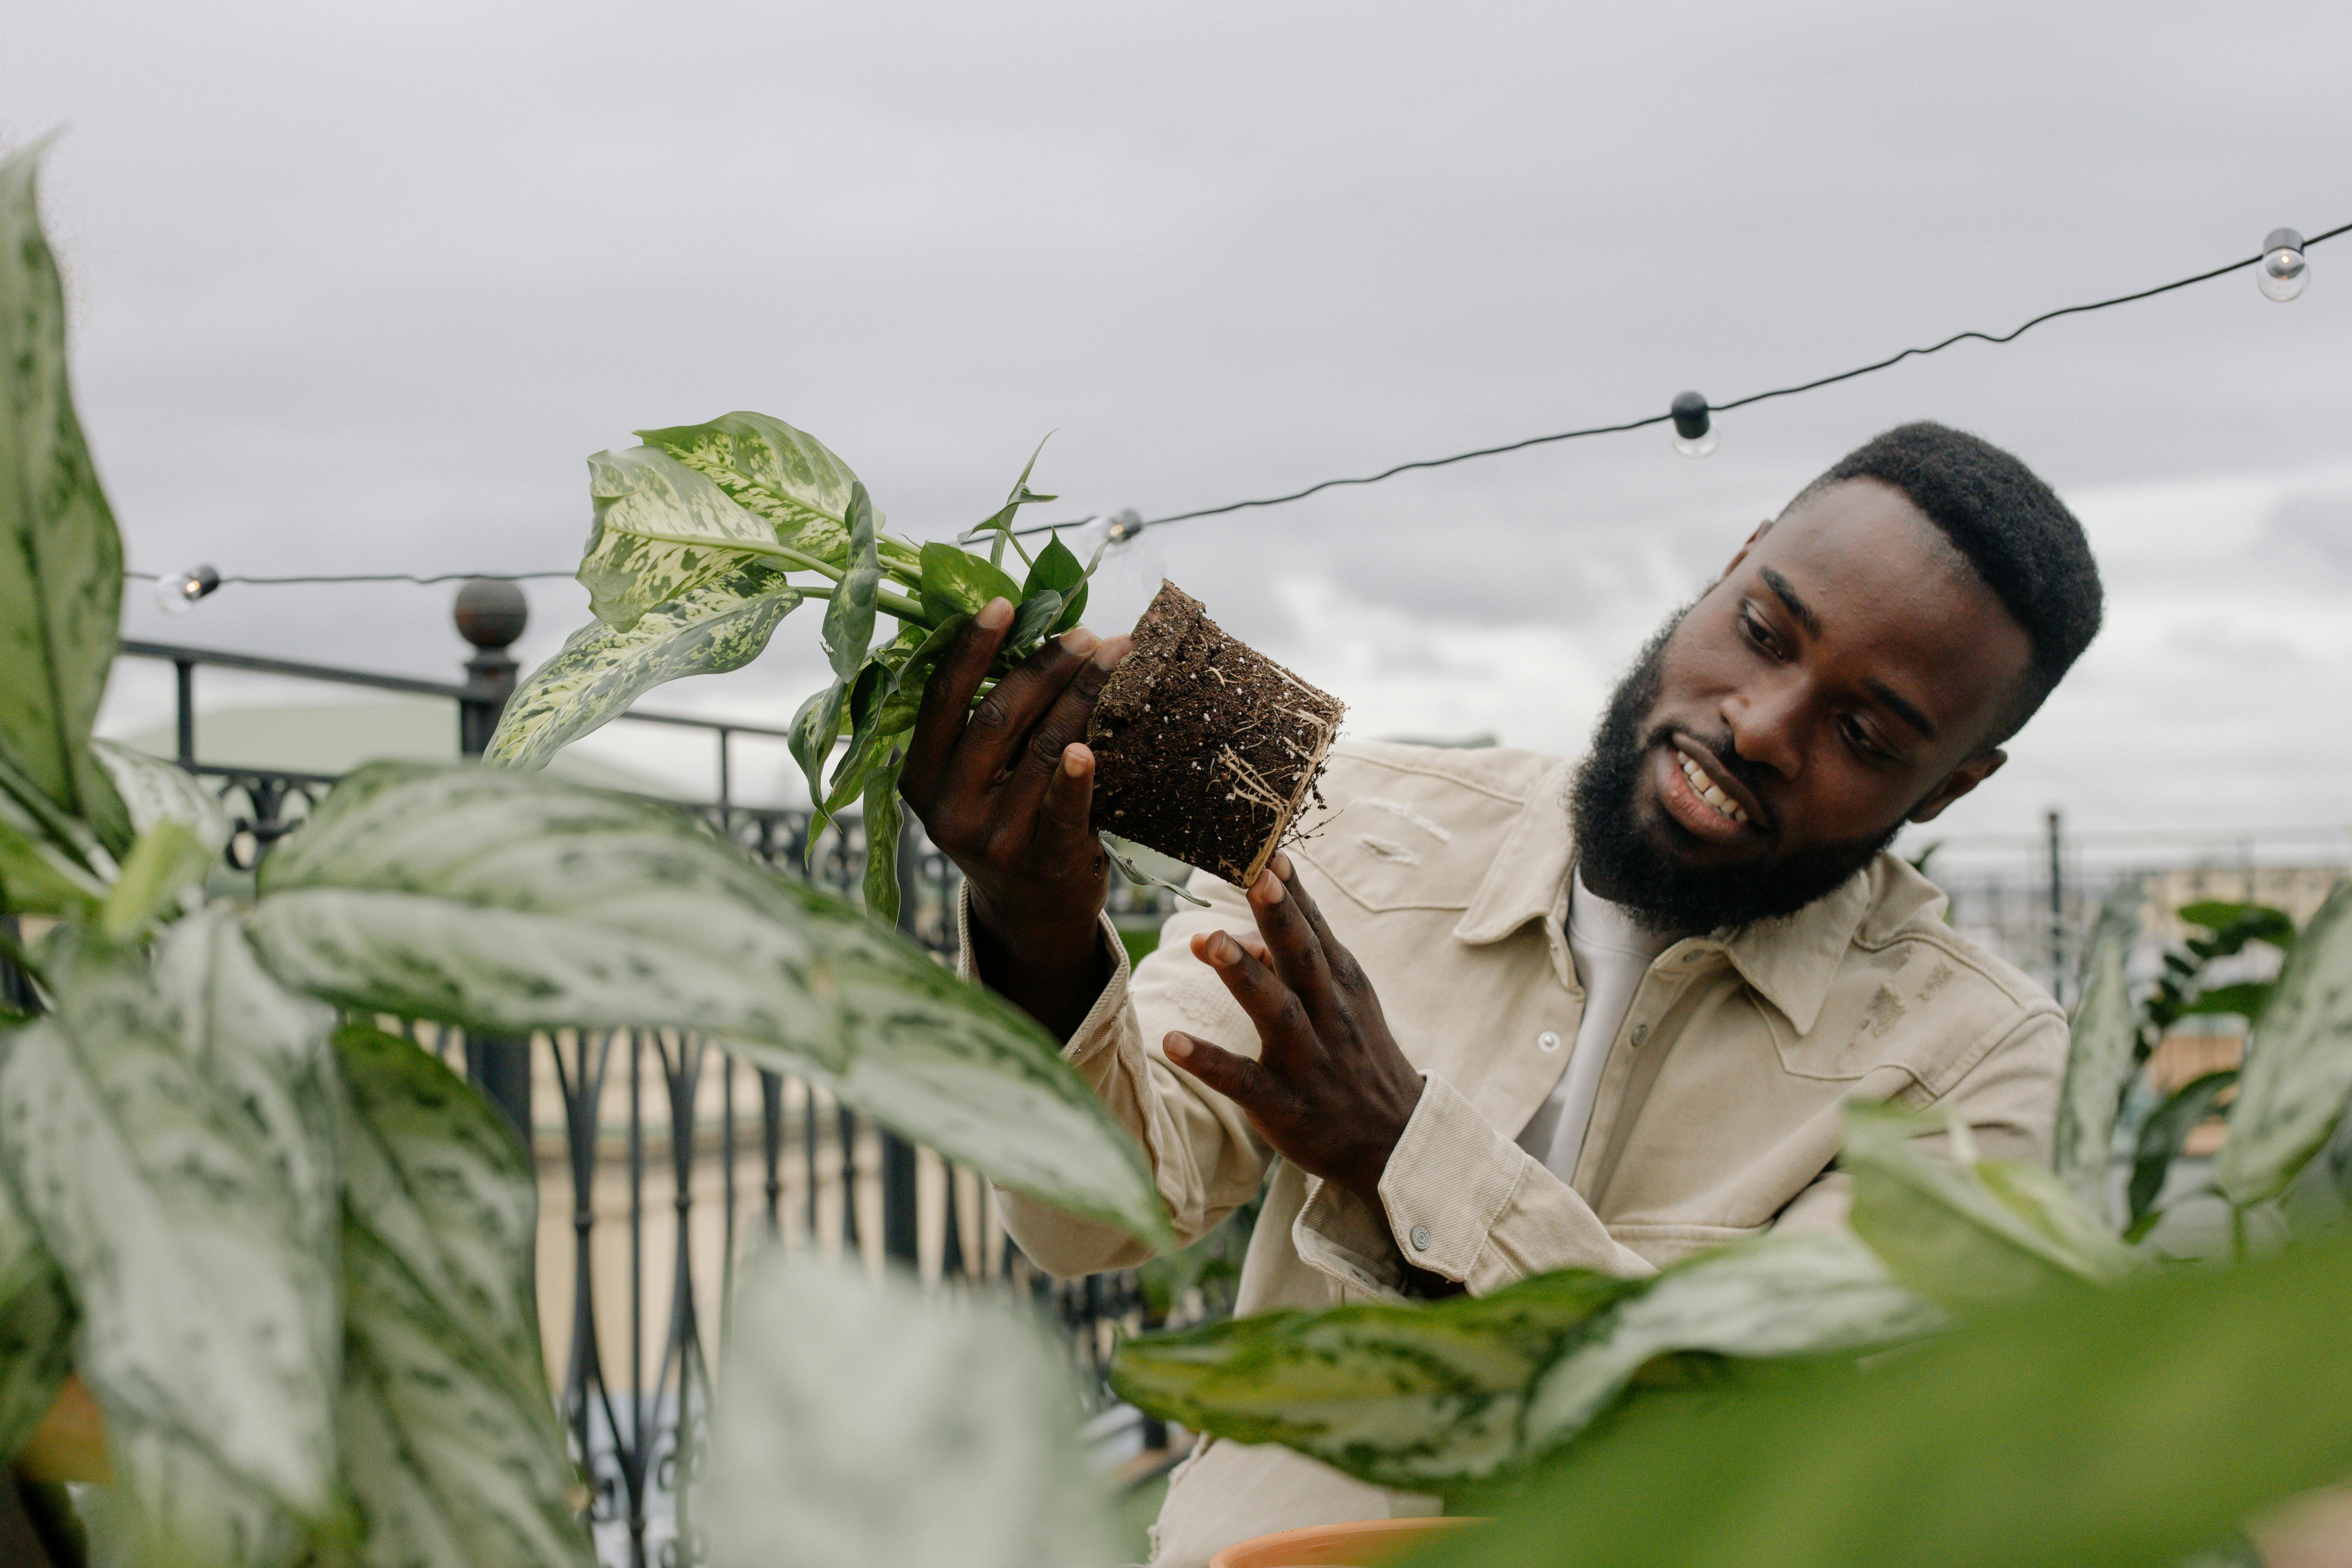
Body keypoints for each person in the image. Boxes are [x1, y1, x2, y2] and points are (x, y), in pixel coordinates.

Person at [901, 421, 2104, 1568]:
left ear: (1951, 786)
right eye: (1762, 630)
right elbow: (1089, 1220)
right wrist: (1036, 936)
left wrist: (1402, 1155)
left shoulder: (1970, 1060)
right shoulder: (1344, 814)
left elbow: (1810, 1460)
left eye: (1867, 732)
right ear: (1730, 567)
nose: (1760, 724)